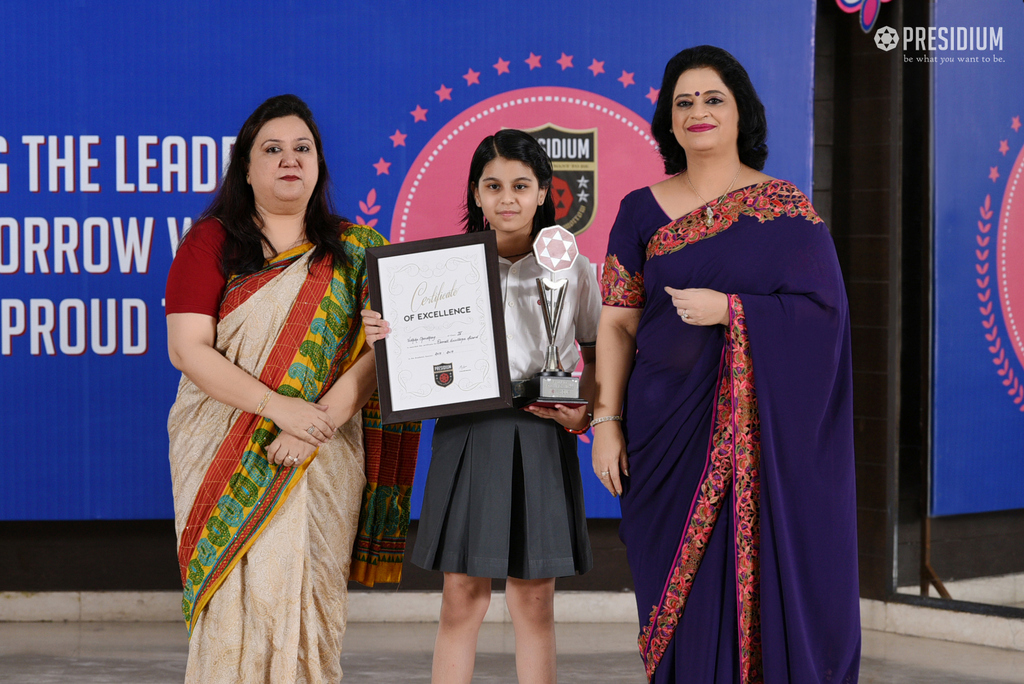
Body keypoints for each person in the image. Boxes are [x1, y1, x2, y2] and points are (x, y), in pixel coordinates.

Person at [591, 45, 861, 683]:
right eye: (683, 101)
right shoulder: (639, 209)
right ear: (668, 119)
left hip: (760, 446)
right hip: (660, 441)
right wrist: (605, 421)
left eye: (714, 98)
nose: (697, 111)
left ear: (742, 113)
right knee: (669, 604)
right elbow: (617, 321)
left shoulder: (786, 211)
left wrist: (733, 310)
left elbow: (826, 319)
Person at [165, 94, 418, 683]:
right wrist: (282, 410)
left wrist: (314, 425)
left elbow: (379, 357)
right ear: (246, 167)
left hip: (323, 454)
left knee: (313, 608)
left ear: (319, 164)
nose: (289, 160)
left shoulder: (358, 250)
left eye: (302, 148)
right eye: (272, 149)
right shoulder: (210, 242)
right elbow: (188, 349)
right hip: (225, 449)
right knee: (232, 611)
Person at [362, 129, 600, 684]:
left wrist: (586, 409)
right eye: (493, 186)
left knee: (534, 600)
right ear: (475, 194)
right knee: (461, 596)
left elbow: (597, 353)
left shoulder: (575, 269)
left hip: (542, 432)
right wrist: (386, 334)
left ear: (545, 192)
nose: (507, 198)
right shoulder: (439, 274)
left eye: (521, 185)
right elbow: (415, 356)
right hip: (467, 431)